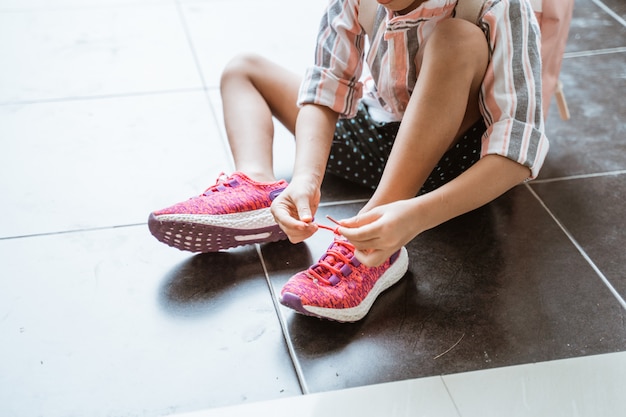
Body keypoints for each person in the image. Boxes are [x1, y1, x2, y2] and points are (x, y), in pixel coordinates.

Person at [149, 0, 548, 322]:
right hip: (374, 135)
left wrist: (413, 217)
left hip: (448, 165)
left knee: (457, 38)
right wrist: (306, 178)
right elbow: (325, 87)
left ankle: (377, 235)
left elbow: (516, 155)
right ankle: (260, 187)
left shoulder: (500, 6)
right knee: (244, 69)